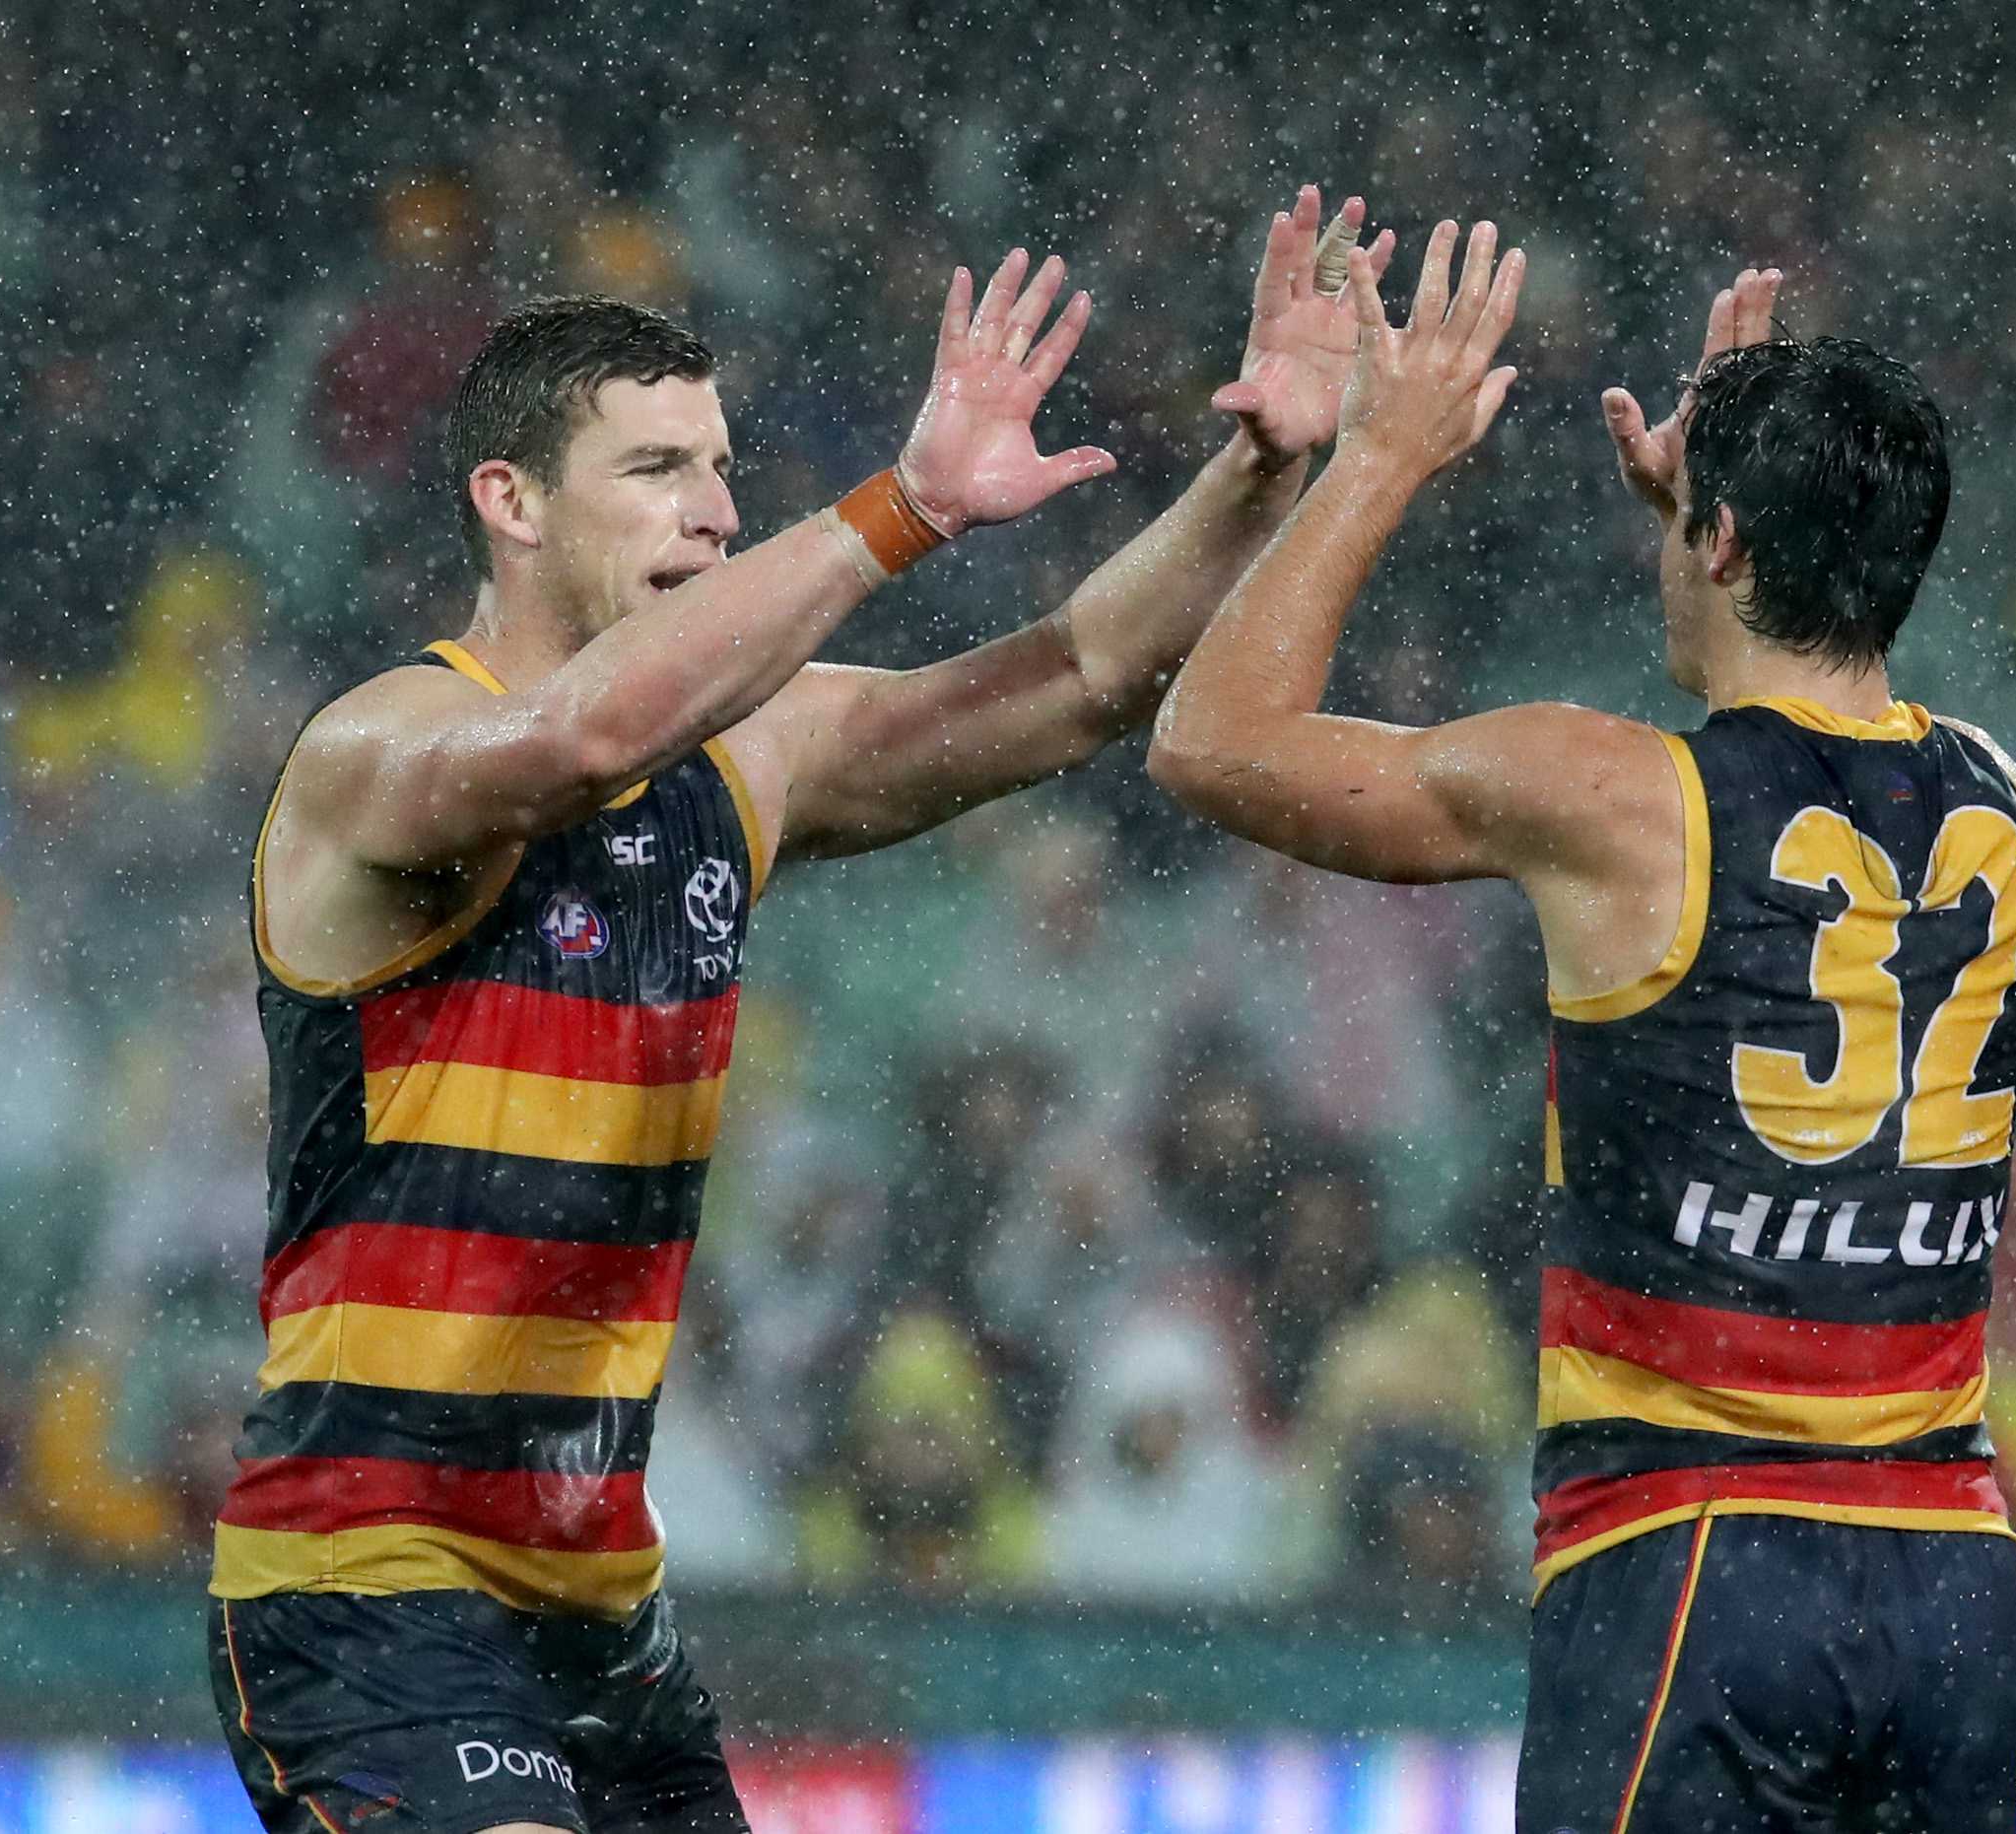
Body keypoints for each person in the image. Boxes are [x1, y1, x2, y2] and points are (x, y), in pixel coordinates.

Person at [205, 183, 1390, 1834]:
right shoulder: (377, 749)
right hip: (369, 1575)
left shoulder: (747, 758)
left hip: (598, 1605)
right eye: (654, 469)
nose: (710, 506)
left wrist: (1261, 468)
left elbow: (1079, 681)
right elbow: (567, 749)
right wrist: (898, 505)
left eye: (720, 465)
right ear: (511, 502)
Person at [1151, 225, 2016, 1832]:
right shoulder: (1999, 788)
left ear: (1712, 539)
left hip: (1694, 1556)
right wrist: (1735, 524)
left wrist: (1379, 456)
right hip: (1951, 1576)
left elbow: (1213, 742)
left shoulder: (1612, 795)